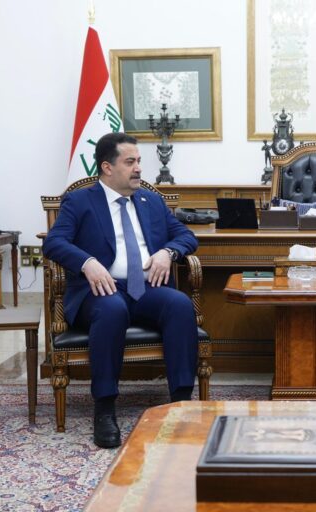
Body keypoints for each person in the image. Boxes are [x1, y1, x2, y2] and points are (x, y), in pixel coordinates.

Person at [43, 132, 199, 449]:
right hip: (100, 291)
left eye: (138, 161)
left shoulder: (151, 201)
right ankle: (104, 409)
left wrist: (168, 253)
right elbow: (54, 242)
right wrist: (87, 262)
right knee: (112, 309)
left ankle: (181, 404)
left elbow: (186, 236)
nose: (138, 168)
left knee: (180, 304)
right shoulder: (80, 201)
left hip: (146, 288)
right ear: (107, 167)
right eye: (130, 162)